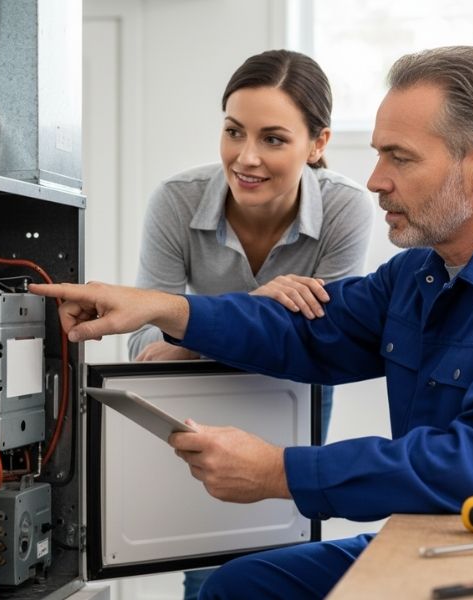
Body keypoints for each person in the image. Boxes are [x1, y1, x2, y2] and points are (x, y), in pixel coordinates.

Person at [30, 45, 473, 600]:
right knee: (241, 586)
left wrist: (282, 472)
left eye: (400, 157)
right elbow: (304, 330)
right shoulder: (418, 273)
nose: (374, 180)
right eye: (378, 155)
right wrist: (165, 309)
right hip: (440, 532)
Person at [126, 49, 373, 599]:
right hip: (201, 391)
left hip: (295, 391)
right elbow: (143, 346)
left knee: (281, 556)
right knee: (206, 559)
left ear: (319, 144)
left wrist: (192, 329)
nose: (246, 157)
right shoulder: (175, 201)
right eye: (234, 131)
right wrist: (257, 306)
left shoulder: (346, 208)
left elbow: (327, 337)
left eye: (274, 139)